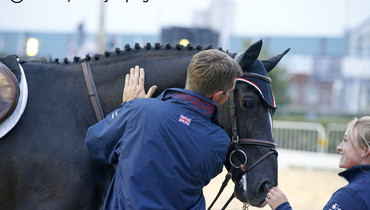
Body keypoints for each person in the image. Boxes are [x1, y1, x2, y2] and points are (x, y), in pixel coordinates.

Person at [85, 49, 242, 210]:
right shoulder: (219, 142)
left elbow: (94, 142)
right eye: (229, 92)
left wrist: (128, 106)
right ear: (216, 96)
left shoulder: (139, 110)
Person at [265, 116, 370, 210]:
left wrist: (282, 207)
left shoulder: (352, 195)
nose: (339, 147)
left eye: (346, 141)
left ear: (365, 151)